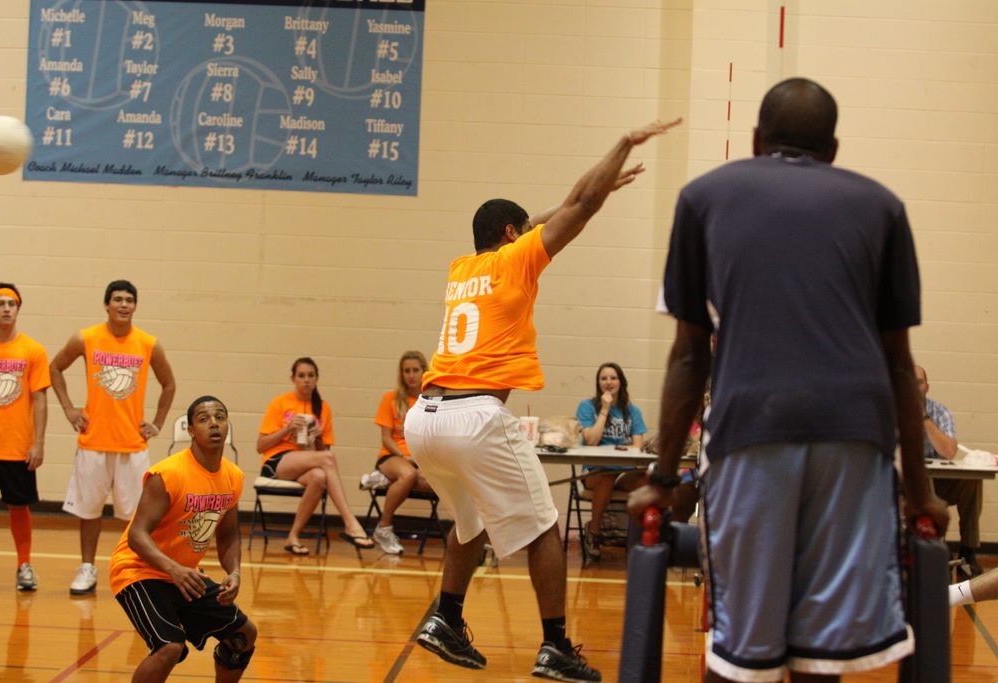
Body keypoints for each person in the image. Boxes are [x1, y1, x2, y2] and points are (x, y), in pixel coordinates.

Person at [630, 78, 948, 683]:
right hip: (856, 437)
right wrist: (919, 491)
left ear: (755, 140)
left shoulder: (702, 197)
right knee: (820, 653)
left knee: (740, 654)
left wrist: (663, 480)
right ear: (833, 149)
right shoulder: (883, 206)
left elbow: (689, 356)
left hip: (752, 431)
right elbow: (899, 365)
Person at [404, 117, 681, 683]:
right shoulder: (517, 259)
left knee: (469, 522)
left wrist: (582, 194)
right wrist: (623, 145)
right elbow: (580, 204)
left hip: (425, 419)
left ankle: (445, 617)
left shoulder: (462, 268)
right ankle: (555, 645)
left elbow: (540, 218)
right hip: (475, 417)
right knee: (544, 530)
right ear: (512, 235)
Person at [109, 395, 257, 683]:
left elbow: (228, 535)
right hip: (139, 571)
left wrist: (235, 572)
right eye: (204, 419)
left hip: (184, 575)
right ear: (190, 430)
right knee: (170, 647)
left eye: (220, 417)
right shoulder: (168, 474)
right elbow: (137, 536)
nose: (213, 423)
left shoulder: (233, 477)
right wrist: (173, 569)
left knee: (243, 635)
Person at [51, 279, 176, 595]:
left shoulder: (148, 343)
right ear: (106, 304)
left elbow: (169, 384)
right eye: (118, 299)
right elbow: (55, 368)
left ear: (135, 306)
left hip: (132, 445)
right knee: (89, 512)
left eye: (129, 300)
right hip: (93, 442)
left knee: (137, 516)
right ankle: (87, 568)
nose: (123, 305)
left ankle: (135, 570)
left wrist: (157, 423)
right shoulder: (86, 338)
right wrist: (69, 409)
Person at [257, 357, 375, 553]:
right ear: (293, 378)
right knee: (328, 458)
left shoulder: (323, 408)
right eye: (301, 376)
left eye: (311, 376)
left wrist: (318, 437)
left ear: (317, 379)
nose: (306, 380)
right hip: (277, 461)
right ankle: (350, 523)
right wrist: (287, 429)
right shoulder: (280, 403)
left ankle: (293, 537)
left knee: (319, 476)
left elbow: (322, 453)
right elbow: (260, 446)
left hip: (305, 461)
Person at [0, 283, 49, 591]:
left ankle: (24, 566)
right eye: (0, 303)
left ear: (18, 309)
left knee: (19, 506)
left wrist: (38, 442)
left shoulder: (33, 350)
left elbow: (40, 399)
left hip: (18, 447)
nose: (6, 308)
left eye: (12, 304)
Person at [575, 362, 647, 559]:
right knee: (606, 477)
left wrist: (622, 449)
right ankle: (594, 532)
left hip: (623, 472)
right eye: (603, 378)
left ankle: (639, 537)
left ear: (621, 382)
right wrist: (605, 409)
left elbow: (638, 445)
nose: (608, 382)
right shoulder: (587, 407)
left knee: (649, 481)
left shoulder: (632, 411)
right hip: (595, 471)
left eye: (613, 378)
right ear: (598, 383)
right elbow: (592, 440)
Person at [917, 364, 983, 576]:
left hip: (938, 484)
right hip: (907, 484)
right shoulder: (891, 410)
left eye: (918, 383)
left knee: (971, 481)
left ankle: (968, 549)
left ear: (927, 387)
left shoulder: (940, 411)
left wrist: (923, 417)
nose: (914, 388)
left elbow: (949, 452)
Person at [371, 350, 435, 554]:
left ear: (424, 372)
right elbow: (386, 438)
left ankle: (387, 480)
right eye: (406, 371)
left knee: (438, 483)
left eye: (415, 370)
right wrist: (403, 456)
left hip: (421, 460)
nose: (411, 375)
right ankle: (383, 527)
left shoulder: (432, 401)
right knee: (407, 474)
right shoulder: (390, 398)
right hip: (393, 456)